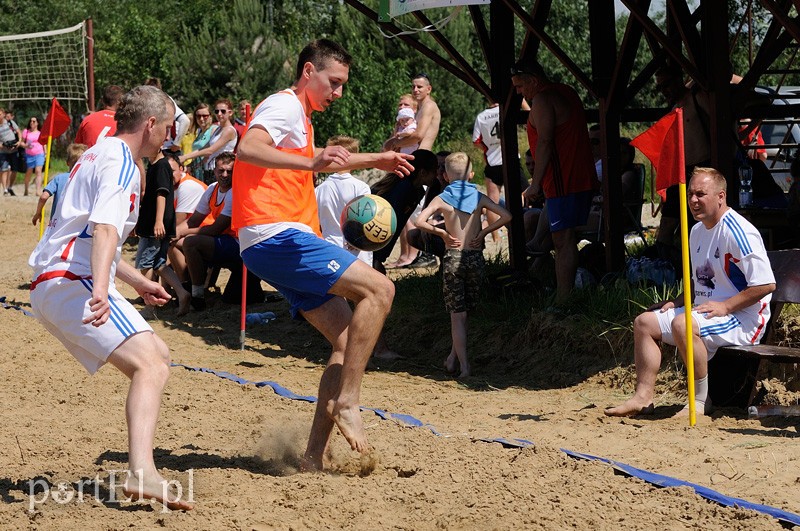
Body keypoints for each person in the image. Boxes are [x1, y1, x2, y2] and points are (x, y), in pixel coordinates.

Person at [233, 39, 414, 468]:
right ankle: (348, 401)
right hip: (274, 233)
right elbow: (248, 149)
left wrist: (378, 158)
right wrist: (312, 165)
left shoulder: (301, 117)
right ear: (308, 71)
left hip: (271, 240)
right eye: (333, 82)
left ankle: (313, 455)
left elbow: (317, 158)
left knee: (348, 341)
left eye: (343, 85)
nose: (338, 92)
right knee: (381, 291)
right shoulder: (285, 106)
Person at [27, 85, 193, 510]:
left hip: (65, 276)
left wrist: (136, 282)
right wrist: (101, 290)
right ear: (150, 124)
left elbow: (90, 233)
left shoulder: (101, 152)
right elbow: (102, 231)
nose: (170, 138)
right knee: (150, 363)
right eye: (168, 129)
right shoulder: (121, 162)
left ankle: (142, 469)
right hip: (71, 280)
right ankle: (142, 472)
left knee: (158, 354)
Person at [605, 167, 776, 417]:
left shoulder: (739, 231)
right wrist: (677, 301)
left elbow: (766, 284)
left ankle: (699, 401)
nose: (693, 200)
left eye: (700, 194)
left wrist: (725, 306)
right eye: (690, 194)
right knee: (644, 323)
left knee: (682, 325)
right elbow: (701, 280)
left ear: (721, 196)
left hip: (744, 317)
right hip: (705, 311)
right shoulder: (695, 230)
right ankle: (642, 398)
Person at [415, 152, 511, 378]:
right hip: (475, 258)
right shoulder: (477, 197)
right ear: (471, 174)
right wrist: (484, 231)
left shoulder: (442, 198)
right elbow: (506, 215)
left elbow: (419, 221)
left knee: (457, 316)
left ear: (445, 176)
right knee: (465, 314)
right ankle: (452, 359)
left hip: (454, 257)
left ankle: (465, 367)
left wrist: (442, 233)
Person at [511, 60, 596, 302]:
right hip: (578, 176)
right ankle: (548, 277)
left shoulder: (543, 100)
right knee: (562, 237)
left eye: (519, 86)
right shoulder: (567, 91)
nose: (518, 92)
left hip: (564, 180)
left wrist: (535, 183)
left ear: (534, 80)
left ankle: (563, 300)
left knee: (563, 241)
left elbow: (546, 142)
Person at [173, 152, 239, 313]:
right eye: (220, 170)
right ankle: (185, 287)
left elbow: (216, 228)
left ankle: (197, 295)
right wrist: (173, 233)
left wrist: (182, 232)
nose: (224, 175)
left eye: (229, 171)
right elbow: (193, 220)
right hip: (219, 238)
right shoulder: (212, 188)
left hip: (237, 241)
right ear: (214, 170)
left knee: (190, 242)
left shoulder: (234, 192)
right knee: (172, 242)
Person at [134, 151, 191, 316]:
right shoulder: (154, 165)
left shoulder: (161, 166)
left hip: (156, 225)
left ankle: (150, 306)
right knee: (159, 264)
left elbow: (162, 193)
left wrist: (158, 221)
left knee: (146, 265)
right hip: (155, 222)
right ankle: (182, 293)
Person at [314, 135, 373, 265]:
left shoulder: (319, 190)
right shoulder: (361, 187)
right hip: (358, 250)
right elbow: (368, 220)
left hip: (329, 250)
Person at [180, 99, 237, 184]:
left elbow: (210, 150)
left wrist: (185, 157)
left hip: (222, 172)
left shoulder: (229, 130)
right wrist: (192, 166)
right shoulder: (218, 129)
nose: (219, 114)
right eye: (217, 111)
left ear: (230, 113)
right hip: (211, 170)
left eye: (223, 111)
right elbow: (204, 149)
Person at [32, 143, 88, 227]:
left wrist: (38, 213)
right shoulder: (86, 180)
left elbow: (43, 197)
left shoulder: (59, 178)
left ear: (67, 163)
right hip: (76, 224)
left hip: (56, 224)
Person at [383, 73, 441, 152]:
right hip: (414, 155)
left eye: (419, 87)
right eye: (413, 87)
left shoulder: (429, 105)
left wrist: (395, 144)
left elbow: (418, 136)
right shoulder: (419, 110)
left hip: (422, 156)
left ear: (429, 89)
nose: (415, 90)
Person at [143, 77, 190, 152]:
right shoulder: (145, 103)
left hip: (168, 149)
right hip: (153, 149)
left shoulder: (166, 101)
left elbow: (185, 121)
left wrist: (176, 143)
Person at [183, 103, 217, 178]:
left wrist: (186, 157)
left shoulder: (214, 129)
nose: (201, 119)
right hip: (198, 172)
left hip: (209, 172)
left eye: (205, 116)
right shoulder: (198, 132)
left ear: (210, 116)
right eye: (198, 116)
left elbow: (210, 151)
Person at [0, 106, 22, 195]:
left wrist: (19, 141)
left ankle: (10, 187)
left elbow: (18, 131)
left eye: (0, 114)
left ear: (3, 114)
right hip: (3, 151)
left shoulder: (9, 123)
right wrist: (1, 145)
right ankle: (5, 189)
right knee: (4, 169)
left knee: (15, 170)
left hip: (14, 150)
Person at [22, 116, 45, 196]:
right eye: (31, 121)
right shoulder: (26, 132)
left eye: (34, 121)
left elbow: (44, 143)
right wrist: (25, 146)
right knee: (29, 172)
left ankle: (38, 190)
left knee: (38, 171)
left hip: (39, 153)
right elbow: (21, 142)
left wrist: (45, 153)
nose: (32, 122)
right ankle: (26, 189)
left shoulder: (40, 133)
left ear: (37, 123)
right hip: (29, 155)